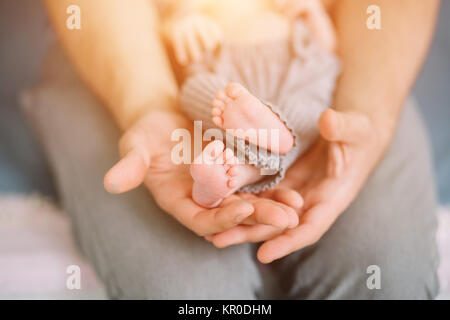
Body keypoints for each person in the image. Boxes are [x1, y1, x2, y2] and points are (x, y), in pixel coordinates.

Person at [35, 0, 440, 298]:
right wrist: (156, 80)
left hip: (304, 65)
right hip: (177, 67)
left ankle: (244, 158)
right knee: (189, 295)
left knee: (388, 278)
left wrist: (361, 100)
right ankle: (241, 159)